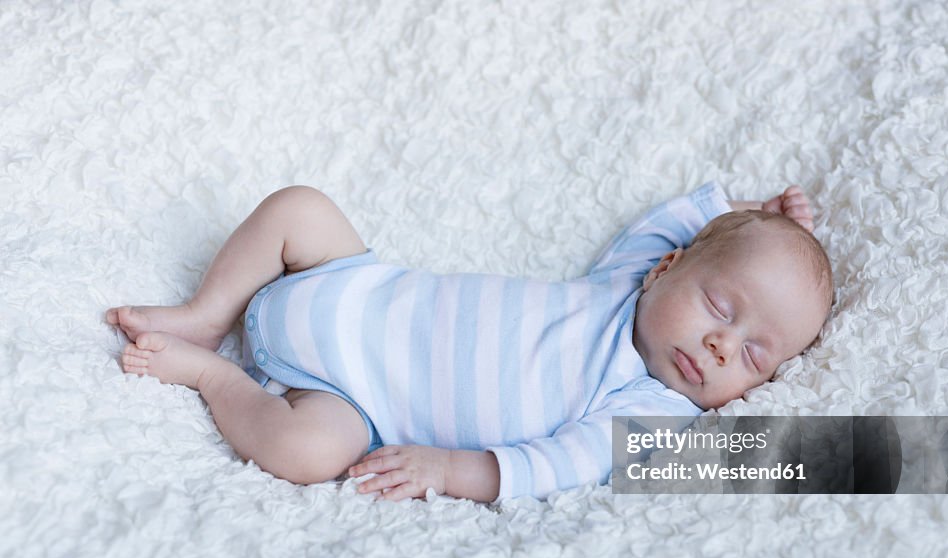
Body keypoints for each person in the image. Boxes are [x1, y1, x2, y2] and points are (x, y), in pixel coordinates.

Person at [105, 181, 831, 504]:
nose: (717, 345)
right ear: (669, 272)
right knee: (302, 208)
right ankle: (207, 312)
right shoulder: (630, 282)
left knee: (306, 455)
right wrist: (749, 213)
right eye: (720, 307)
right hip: (349, 281)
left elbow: (556, 465)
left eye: (753, 356)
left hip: (347, 402)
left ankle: (208, 373)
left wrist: (449, 471)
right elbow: (675, 224)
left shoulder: (647, 411)